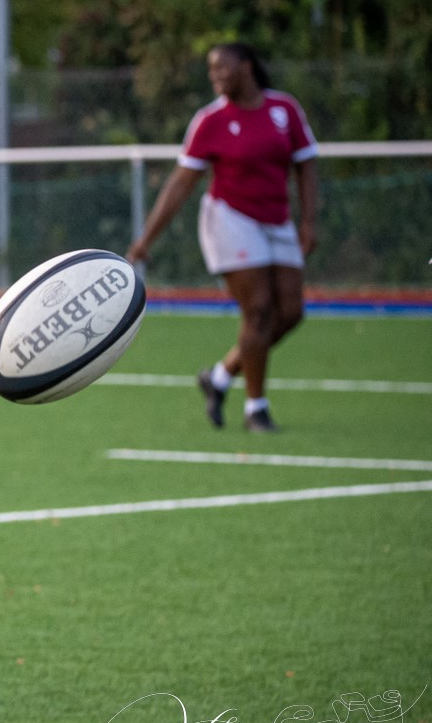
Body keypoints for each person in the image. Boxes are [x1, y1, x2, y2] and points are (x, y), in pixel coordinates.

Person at [126, 42, 319, 433]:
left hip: (277, 220)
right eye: (211, 71)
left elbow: (306, 165)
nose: (215, 77)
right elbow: (182, 183)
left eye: (222, 68)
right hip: (230, 219)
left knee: (291, 312)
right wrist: (147, 237)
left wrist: (309, 222)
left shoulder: (284, 110)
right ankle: (256, 409)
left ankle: (220, 375)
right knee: (260, 309)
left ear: (246, 67)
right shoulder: (210, 120)